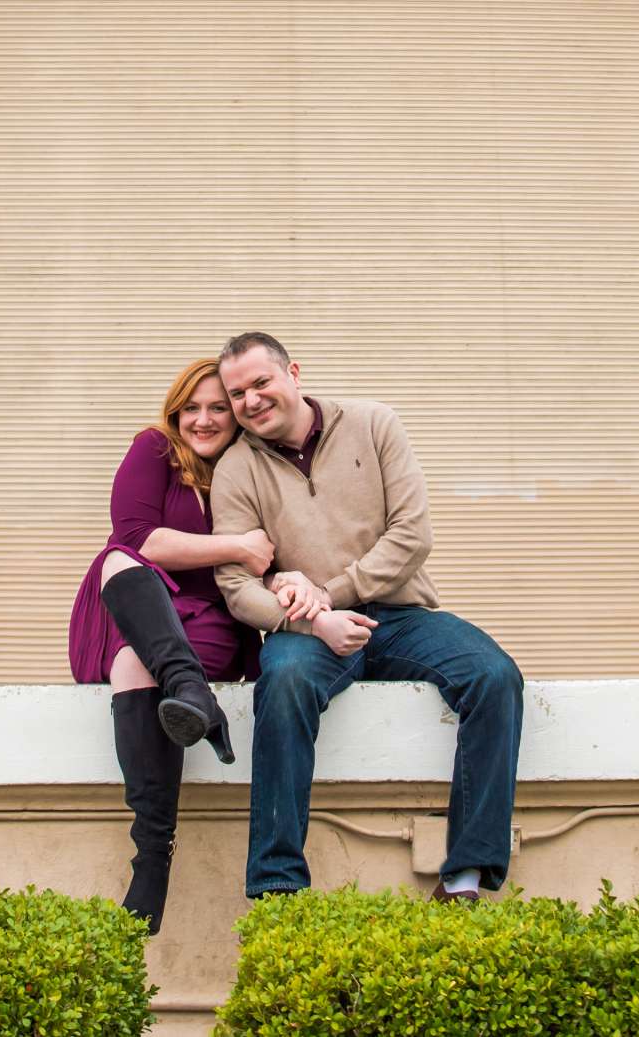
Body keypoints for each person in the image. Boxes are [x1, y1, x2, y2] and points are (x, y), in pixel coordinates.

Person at [209, 330, 524, 904]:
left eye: (261, 382)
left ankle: (466, 876)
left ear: (293, 373)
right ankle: (278, 886)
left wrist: (329, 593)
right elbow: (236, 586)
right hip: (307, 633)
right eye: (236, 394)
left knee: (493, 676)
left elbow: (412, 535)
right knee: (282, 684)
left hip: (401, 616)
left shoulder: (375, 423)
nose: (250, 401)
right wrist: (312, 621)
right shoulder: (234, 469)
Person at [66, 357, 267, 932]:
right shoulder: (153, 449)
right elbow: (139, 539)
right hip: (134, 604)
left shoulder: (251, 469)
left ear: (238, 416)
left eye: (218, 409)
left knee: (137, 664)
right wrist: (237, 546)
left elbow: (272, 552)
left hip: (207, 625)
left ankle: (151, 857)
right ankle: (189, 692)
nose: (202, 420)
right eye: (191, 409)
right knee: (119, 558)